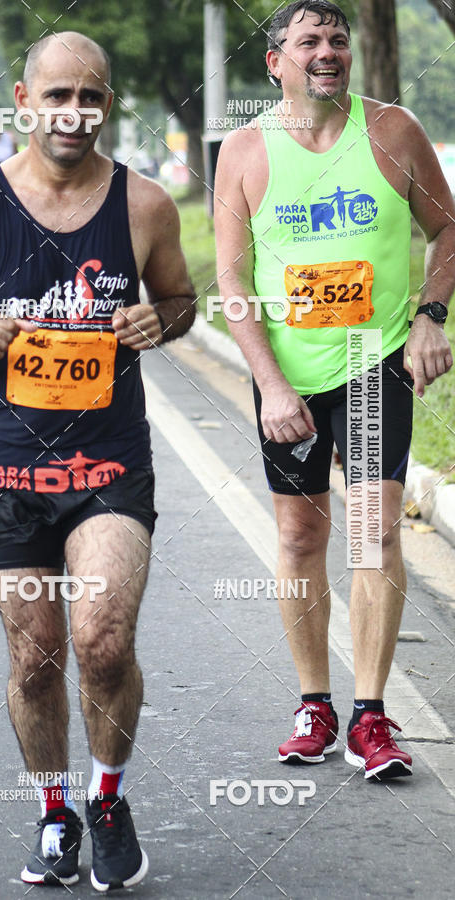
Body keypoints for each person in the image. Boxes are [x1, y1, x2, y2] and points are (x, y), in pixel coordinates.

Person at [0, 31, 195, 890]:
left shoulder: (145, 205)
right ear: (24, 101)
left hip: (109, 464)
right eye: (58, 95)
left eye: (91, 96)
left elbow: (181, 300)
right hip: (10, 471)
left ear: (107, 103)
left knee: (101, 641)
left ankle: (106, 800)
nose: (75, 113)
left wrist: (160, 321)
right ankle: (53, 812)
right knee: (35, 658)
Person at [214, 0, 454, 781]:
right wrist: (270, 383)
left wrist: (429, 317)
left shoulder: (393, 131)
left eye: (338, 40)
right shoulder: (244, 151)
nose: (327, 51)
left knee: (375, 529)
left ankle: (370, 715)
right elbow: (233, 282)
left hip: (371, 359)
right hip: (290, 375)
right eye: (309, 40)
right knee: (298, 538)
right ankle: (313, 704)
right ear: (274, 62)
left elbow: (448, 229)